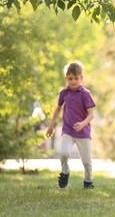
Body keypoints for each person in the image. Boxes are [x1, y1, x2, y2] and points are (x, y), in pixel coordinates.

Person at [46, 61, 96, 189]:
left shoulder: (85, 94)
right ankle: (65, 172)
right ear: (66, 78)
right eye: (70, 78)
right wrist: (51, 125)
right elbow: (58, 109)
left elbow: (91, 114)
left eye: (76, 78)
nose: (73, 81)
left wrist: (83, 124)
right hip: (68, 130)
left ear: (81, 78)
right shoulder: (64, 92)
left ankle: (88, 181)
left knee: (86, 161)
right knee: (64, 154)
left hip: (83, 132)